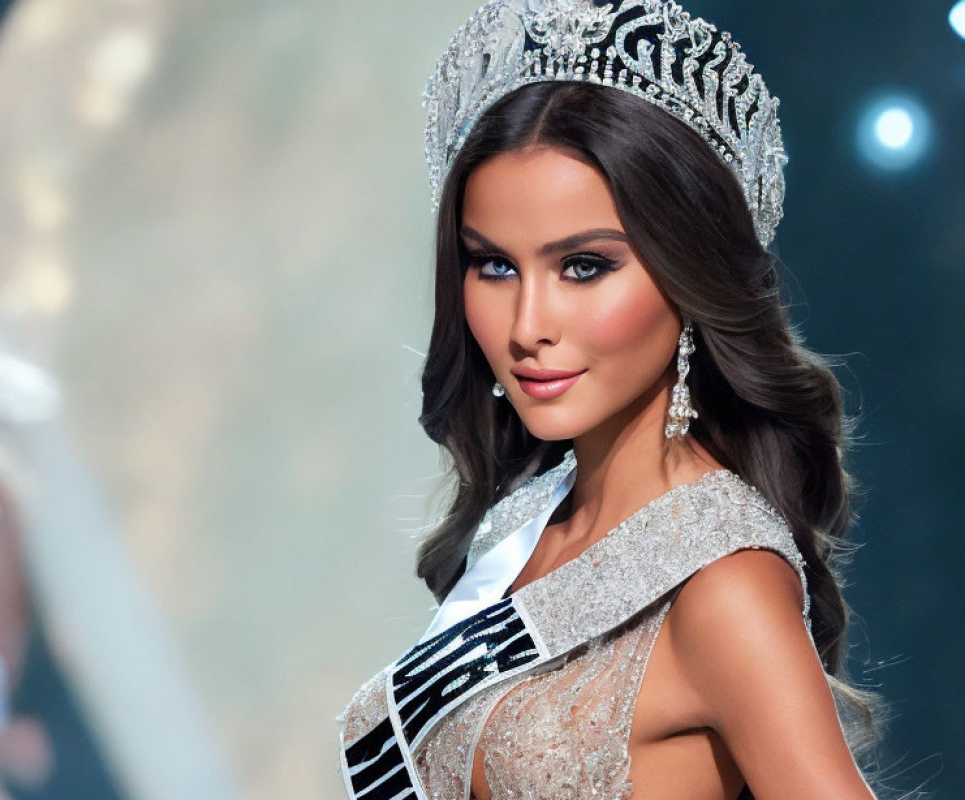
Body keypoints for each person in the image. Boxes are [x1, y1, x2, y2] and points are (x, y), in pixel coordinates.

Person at [337, 2, 915, 798]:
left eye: (583, 267)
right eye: (494, 266)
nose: (528, 326)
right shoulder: (525, 520)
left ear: (686, 273)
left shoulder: (725, 586)